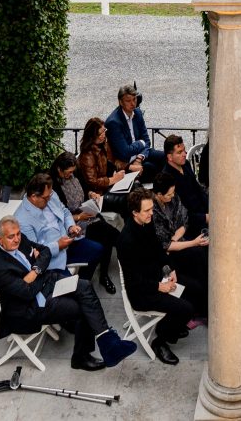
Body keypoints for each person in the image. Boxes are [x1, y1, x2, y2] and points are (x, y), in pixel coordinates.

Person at [0, 215, 136, 371]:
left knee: (85, 286)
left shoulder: (20, 239)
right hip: (30, 307)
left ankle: (107, 341)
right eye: (11, 237)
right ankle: (81, 358)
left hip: (46, 283)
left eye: (18, 234)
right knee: (82, 308)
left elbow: (46, 252)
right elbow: (28, 293)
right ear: (0, 240)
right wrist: (40, 271)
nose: (16, 239)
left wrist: (36, 271)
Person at [118, 186, 206, 365]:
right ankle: (160, 341)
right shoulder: (126, 240)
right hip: (142, 292)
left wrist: (170, 269)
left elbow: (158, 250)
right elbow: (134, 281)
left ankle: (174, 324)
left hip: (157, 277)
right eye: (147, 210)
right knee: (186, 309)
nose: (152, 213)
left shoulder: (146, 223)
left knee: (196, 288)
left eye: (152, 208)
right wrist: (160, 286)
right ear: (135, 212)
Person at [51, 151, 121, 294]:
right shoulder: (53, 186)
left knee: (109, 235)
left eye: (72, 172)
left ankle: (104, 274)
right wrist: (78, 217)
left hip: (87, 213)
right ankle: (103, 276)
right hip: (75, 223)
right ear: (59, 169)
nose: (71, 174)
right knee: (109, 235)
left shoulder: (75, 174)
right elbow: (59, 216)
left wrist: (91, 194)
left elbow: (84, 187)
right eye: (68, 172)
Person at [15, 173, 103, 280]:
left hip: (68, 242)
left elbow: (65, 212)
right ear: (33, 197)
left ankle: (84, 280)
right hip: (52, 260)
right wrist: (58, 245)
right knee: (70, 287)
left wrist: (70, 226)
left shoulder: (50, 195)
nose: (49, 199)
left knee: (98, 249)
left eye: (50, 195)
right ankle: (80, 284)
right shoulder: (22, 220)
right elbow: (34, 253)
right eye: (46, 198)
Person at [151, 170, 208, 320]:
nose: (172, 196)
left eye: (173, 193)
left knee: (200, 254)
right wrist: (192, 242)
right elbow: (165, 246)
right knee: (197, 253)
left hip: (178, 242)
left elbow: (184, 220)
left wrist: (175, 238)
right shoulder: (153, 211)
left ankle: (206, 300)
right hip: (165, 255)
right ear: (158, 194)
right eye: (168, 195)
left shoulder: (173, 197)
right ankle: (203, 307)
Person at [77, 116, 141, 208]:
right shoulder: (87, 155)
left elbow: (112, 162)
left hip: (110, 184)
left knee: (136, 186)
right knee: (129, 199)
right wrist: (113, 179)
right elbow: (93, 182)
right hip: (99, 193)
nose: (103, 135)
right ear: (92, 136)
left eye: (104, 130)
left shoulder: (103, 144)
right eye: (100, 133)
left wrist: (127, 167)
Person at [104, 84, 165, 180]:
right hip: (126, 163)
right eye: (128, 101)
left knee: (168, 158)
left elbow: (147, 141)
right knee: (152, 168)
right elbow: (125, 152)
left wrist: (140, 158)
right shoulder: (114, 122)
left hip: (142, 154)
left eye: (134, 99)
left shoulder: (137, 112)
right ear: (120, 102)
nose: (133, 103)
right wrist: (140, 143)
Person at [161, 135, 208, 233]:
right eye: (179, 152)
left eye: (184, 150)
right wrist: (204, 218)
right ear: (170, 157)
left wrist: (209, 207)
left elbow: (198, 189)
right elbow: (180, 213)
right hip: (189, 224)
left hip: (202, 212)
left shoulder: (186, 164)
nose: (184, 154)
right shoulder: (167, 179)